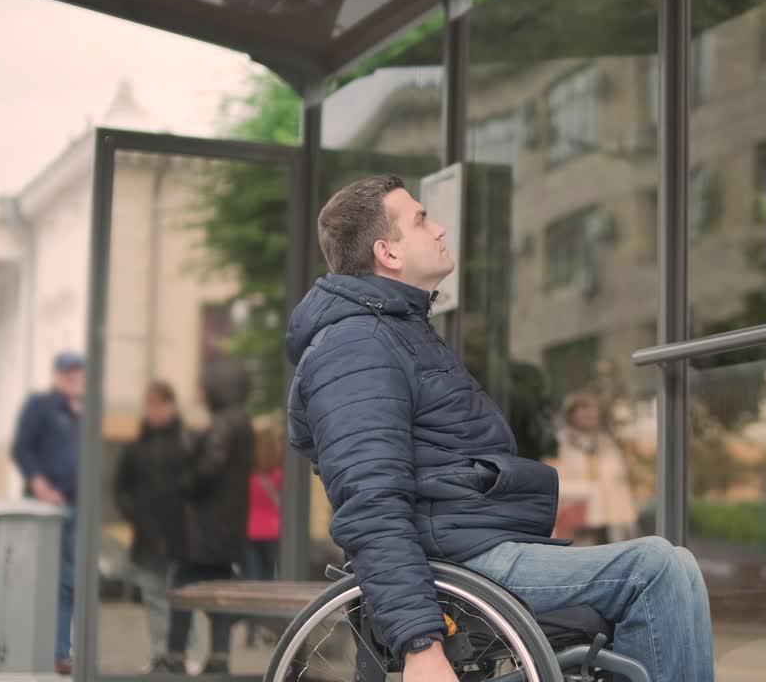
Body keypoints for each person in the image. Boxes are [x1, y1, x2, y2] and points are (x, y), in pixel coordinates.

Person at [286, 174, 714, 682]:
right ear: (388, 253)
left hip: (473, 548)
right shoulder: (355, 347)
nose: (441, 228)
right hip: (456, 563)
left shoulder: (398, 333)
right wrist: (420, 644)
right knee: (659, 570)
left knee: (664, 574)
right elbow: (370, 500)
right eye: (422, 220)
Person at [165, 356, 255, 674]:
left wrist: (184, 484)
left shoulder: (223, 425)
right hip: (226, 530)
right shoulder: (242, 423)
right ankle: (219, 655)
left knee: (182, 588)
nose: (200, 393)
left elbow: (208, 470)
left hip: (205, 530)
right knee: (220, 593)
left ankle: (176, 655)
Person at [12, 350, 84, 675]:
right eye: (68, 372)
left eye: (79, 372)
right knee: (41, 579)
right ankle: (40, 649)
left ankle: (60, 652)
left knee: (70, 582)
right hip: (47, 508)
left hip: (79, 506)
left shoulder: (85, 412)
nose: (74, 377)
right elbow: (21, 448)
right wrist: (38, 482)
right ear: (56, 375)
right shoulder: (41, 407)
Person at [113, 381, 191, 672]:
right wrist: (134, 516)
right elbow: (120, 489)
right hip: (146, 539)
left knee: (182, 599)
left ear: (173, 406)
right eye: (151, 405)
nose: (155, 411)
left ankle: (182, 653)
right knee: (154, 598)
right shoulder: (135, 449)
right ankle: (160, 652)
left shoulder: (187, 444)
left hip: (180, 537)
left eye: (161, 404)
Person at [549, 391, 638, 545]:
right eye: (583, 408)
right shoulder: (559, 443)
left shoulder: (607, 443)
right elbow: (554, 480)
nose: (589, 414)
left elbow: (619, 480)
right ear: (571, 413)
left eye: (592, 409)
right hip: (574, 518)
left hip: (608, 520)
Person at [243, 419, 282, 646]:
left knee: (252, 583)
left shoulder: (248, 475)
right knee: (271, 584)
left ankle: (251, 632)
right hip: (273, 532)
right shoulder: (278, 474)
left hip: (250, 533)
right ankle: (269, 629)